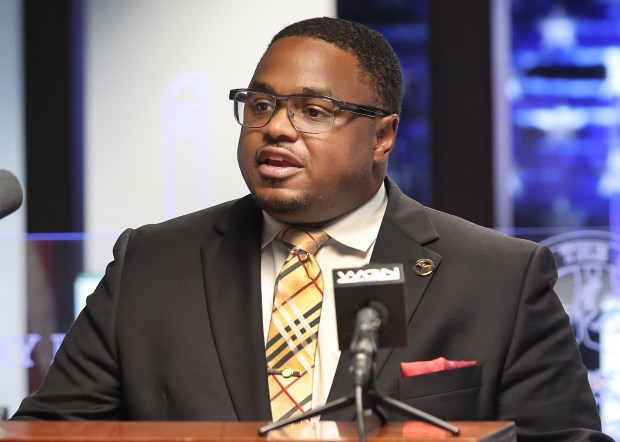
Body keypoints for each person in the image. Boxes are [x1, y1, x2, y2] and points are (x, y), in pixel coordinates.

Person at [12, 16, 612, 441]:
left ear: (383, 136)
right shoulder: (152, 262)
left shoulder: (498, 277)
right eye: (260, 105)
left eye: (315, 111)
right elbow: (51, 433)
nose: (276, 128)